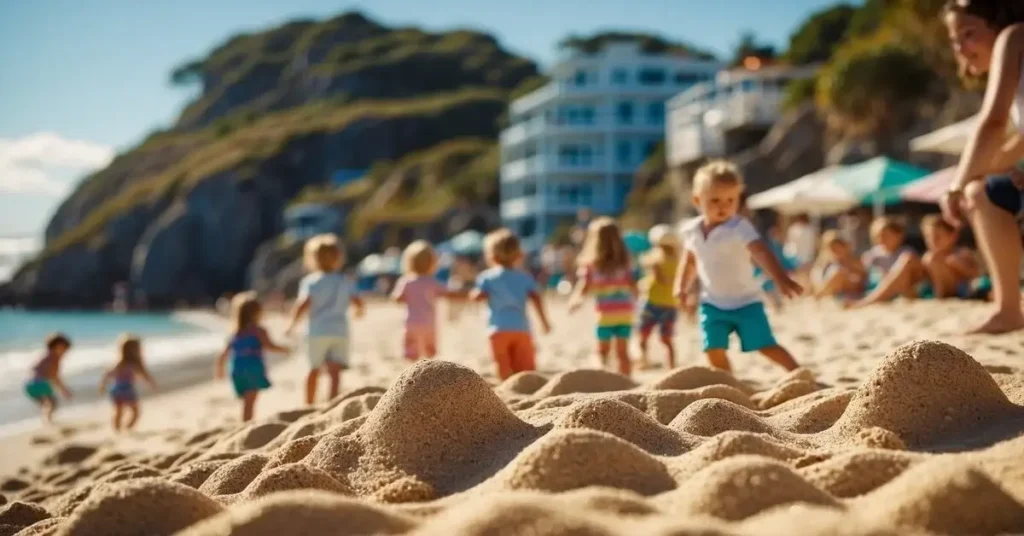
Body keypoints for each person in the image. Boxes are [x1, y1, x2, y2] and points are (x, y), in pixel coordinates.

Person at [940, 1, 1024, 333]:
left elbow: (992, 123)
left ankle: (1008, 310)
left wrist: (957, 186)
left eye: (968, 33)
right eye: (953, 40)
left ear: (997, 23)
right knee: (987, 190)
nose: (960, 47)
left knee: (979, 194)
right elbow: (1017, 142)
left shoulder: (1014, 36)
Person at [673, 160, 802, 373]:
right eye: (715, 200)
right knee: (712, 348)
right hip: (712, 303)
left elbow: (761, 251)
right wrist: (681, 286)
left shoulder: (739, 227)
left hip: (746, 302)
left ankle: (798, 373)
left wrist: (780, 278)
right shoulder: (692, 231)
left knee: (765, 345)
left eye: (730, 200)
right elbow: (688, 261)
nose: (723, 206)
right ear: (697, 200)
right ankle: (729, 383)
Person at [286, 234, 364, 405]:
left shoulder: (311, 282)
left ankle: (309, 402)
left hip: (317, 331)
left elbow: (302, 304)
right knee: (335, 370)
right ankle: (333, 401)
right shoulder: (345, 281)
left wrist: (292, 324)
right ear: (339, 258)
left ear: (312, 259)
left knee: (313, 368)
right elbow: (357, 301)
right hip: (339, 330)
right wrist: (359, 311)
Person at [472, 228, 551, 380]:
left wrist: (472, 295)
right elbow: (536, 298)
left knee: (502, 367)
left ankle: (507, 388)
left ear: (491, 256)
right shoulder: (524, 277)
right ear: (519, 255)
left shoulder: (487, 278)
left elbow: (478, 296)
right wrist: (544, 322)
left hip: (497, 330)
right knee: (526, 368)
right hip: (521, 329)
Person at [568, 217, 638, 376]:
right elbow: (633, 286)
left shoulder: (592, 265)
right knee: (622, 352)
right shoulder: (624, 263)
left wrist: (575, 300)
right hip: (625, 313)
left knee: (602, 351)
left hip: (605, 315)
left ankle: (603, 378)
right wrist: (639, 301)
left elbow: (584, 286)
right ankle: (627, 381)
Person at [217, 292, 290, 422]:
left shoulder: (235, 333)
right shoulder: (259, 330)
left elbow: (223, 355)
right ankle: (246, 424)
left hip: (236, 370)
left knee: (246, 399)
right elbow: (269, 346)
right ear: (257, 312)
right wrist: (285, 349)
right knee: (250, 401)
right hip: (252, 368)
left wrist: (220, 369)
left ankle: (246, 421)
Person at [391, 240, 465, 361]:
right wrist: (464, 293)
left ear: (408, 262)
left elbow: (396, 298)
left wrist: (405, 298)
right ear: (433, 263)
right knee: (430, 349)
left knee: (410, 346)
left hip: (411, 322)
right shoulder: (432, 282)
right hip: (429, 323)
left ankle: (412, 366)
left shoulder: (406, 281)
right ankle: (429, 366)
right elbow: (448, 293)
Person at [849, 218, 925, 308]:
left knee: (906, 261)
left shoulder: (905, 252)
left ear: (899, 236)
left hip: (902, 291)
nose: (881, 239)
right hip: (878, 288)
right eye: (877, 236)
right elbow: (859, 270)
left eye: (885, 235)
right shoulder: (873, 254)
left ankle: (867, 301)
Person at [634, 224, 681, 371]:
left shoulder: (655, 260)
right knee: (666, 339)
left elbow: (657, 280)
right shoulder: (679, 260)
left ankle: (644, 360)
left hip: (652, 302)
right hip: (671, 304)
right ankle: (671, 365)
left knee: (643, 335)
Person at [98, 334, 157, 432]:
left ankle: (117, 430)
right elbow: (146, 376)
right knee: (136, 412)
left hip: (116, 390)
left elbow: (107, 374)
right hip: (127, 390)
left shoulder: (120, 363)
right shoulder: (136, 364)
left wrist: (102, 386)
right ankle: (128, 428)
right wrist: (152, 385)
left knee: (119, 412)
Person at [919, 215, 982, 298]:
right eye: (928, 237)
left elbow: (977, 275)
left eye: (937, 236)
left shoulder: (961, 253)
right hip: (933, 291)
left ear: (953, 236)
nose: (933, 241)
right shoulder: (927, 257)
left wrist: (960, 266)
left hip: (959, 291)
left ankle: (942, 295)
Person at [24, 333, 73, 424]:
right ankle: (48, 422)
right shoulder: (55, 359)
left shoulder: (45, 356)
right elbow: (55, 377)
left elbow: (33, 369)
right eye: (64, 349)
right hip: (41, 384)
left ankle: (44, 421)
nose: (65, 353)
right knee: (52, 403)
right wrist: (64, 390)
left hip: (29, 384)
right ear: (56, 347)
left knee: (45, 404)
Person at [812, 230, 867, 301]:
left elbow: (862, 276)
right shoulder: (826, 261)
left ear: (845, 247)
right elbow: (817, 275)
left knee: (839, 272)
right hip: (833, 288)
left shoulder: (853, 260)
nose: (836, 251)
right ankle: (821, 293)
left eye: (837, 248)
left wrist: (848, 271)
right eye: (833, 249)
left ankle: (819, 294)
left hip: (853, 287)